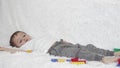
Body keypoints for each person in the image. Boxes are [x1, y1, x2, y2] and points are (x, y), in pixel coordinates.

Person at [0, 31, 120, 64]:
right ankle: (101, 59)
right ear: (20, 45)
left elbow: (50, 39)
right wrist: (3, 48)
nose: (25, 39)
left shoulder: (36, 38)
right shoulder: (27, 47)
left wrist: (63, 41)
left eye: (24, 35)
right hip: (56, 50)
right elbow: (15, 51)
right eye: (21, 41)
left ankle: (111, 53)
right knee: (78, 52)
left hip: (62, 43)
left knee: (88, 47)